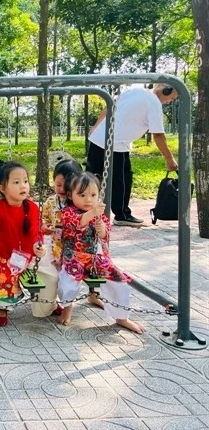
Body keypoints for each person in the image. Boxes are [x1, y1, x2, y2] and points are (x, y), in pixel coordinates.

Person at [57, 171, 145, 334]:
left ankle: (121, 317)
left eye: (93, 195)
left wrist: (102, 230)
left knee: (118, 280)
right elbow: (76, 223)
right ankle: (67, 307)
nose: (88, 199)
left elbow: (105, 236)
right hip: (74, 257)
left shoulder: (99, 215)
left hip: (96, 258)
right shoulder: (68, 212)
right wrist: (92, 213)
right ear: (70, 195)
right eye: (81, 194)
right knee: (66, 282)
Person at [86, 84, 178, 227]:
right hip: (115, 144)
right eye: (172, 98)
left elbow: (109, 107)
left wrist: (96, 127)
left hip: (99, 140)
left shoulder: (134, 90)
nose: (170, 101)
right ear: (166, 89)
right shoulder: (153, 102)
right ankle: (122, 215)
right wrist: (169, 158)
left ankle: (83, 213)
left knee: (91, 179)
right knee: (122, 181)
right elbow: (158, 135)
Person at [0, 161, 46, 327]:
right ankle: (1, 307)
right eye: (16, 182)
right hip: (7, 254)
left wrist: (37, 245)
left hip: (30, 253)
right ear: (2, 188)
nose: (23, 186)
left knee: (50, 275)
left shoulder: (32, 207)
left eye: (25, 181)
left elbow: (35, 229)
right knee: (3, 279)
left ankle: (49, 303)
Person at [33, 159, 83, 318]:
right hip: (55, 248)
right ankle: (54, 304)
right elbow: (43, 220)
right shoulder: (50, 201)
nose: (61, 189)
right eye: (58, 184)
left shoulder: (79, 202)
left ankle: (68, 306)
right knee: (54, 278)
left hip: (74, 250)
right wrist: (44, 228)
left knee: (69, 280)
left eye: (66, 185)